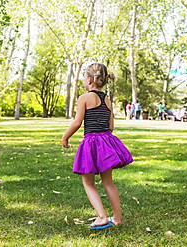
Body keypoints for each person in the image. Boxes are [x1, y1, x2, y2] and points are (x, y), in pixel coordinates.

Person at [61, 63, 133, 230]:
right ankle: (117, 217)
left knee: (88, 182)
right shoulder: (106, 99)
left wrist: (65, 137)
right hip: (106, 142)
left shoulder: (84, 98)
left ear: (89, 80)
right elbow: (111, 126)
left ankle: (102, 217)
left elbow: (78, 122)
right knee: (108, 182)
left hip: (92, 143)